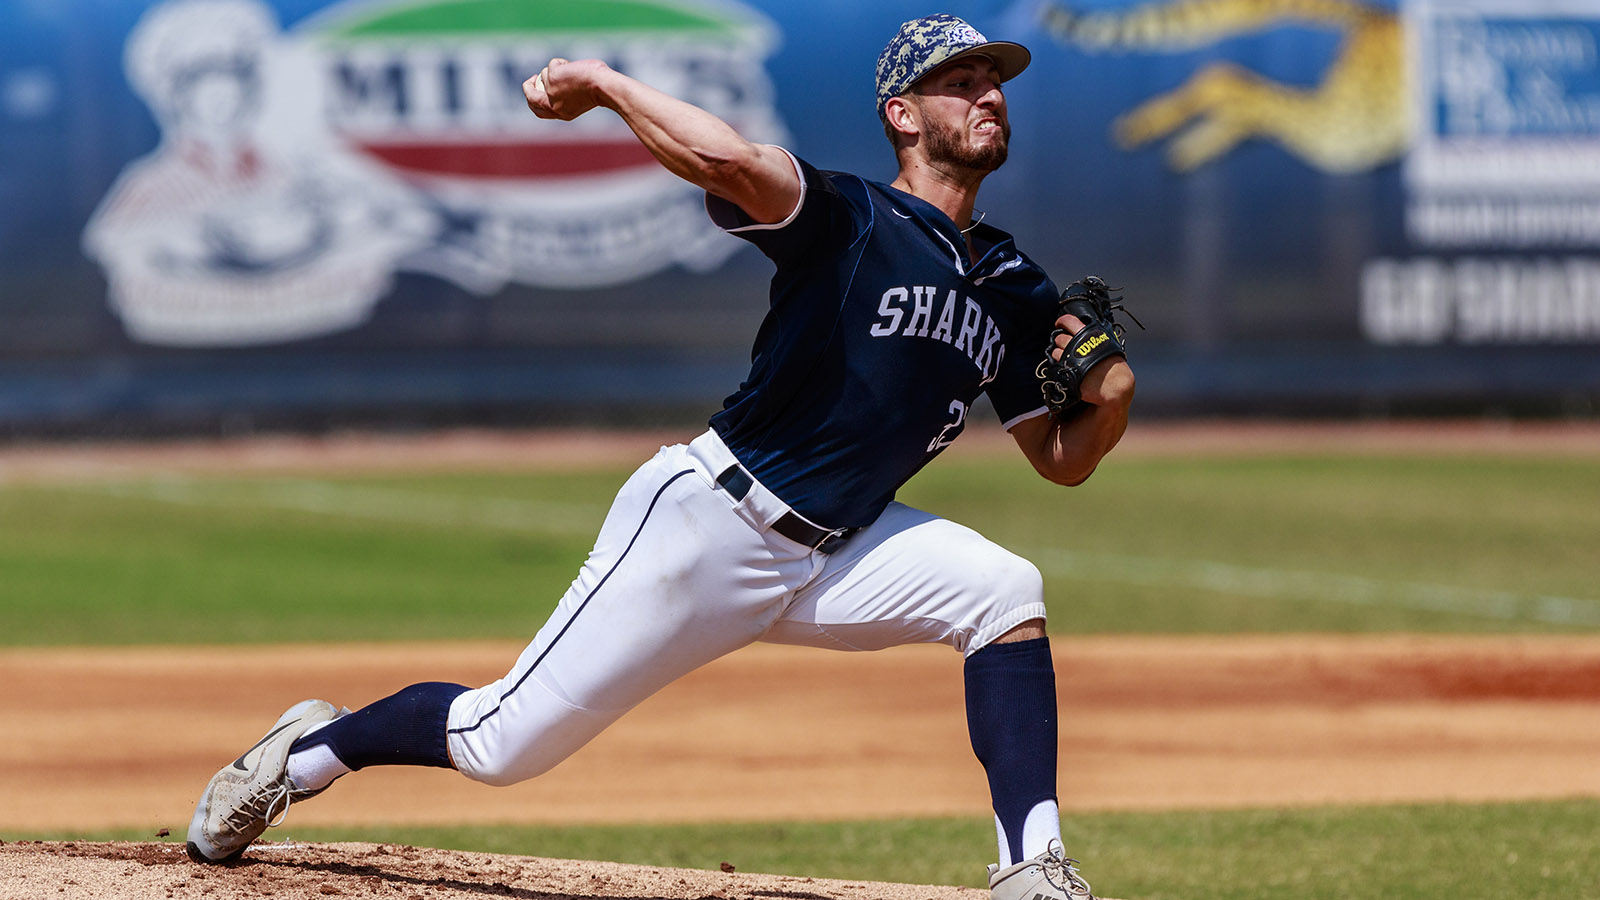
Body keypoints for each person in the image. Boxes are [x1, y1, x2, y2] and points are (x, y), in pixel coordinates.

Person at [184, 14, 1135, 900]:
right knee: (501, 741)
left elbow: (1059, 459)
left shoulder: (1014, 282)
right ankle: (306, 754)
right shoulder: (849, 220)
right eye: (960, 81)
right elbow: (722, 157)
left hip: (839, 549)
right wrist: (602, 82)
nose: (988, 96)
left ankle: (1033, 866)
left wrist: (1115, 400)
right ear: (902, 113)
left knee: (1004, 589)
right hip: (711, 521)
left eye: (994, 82)